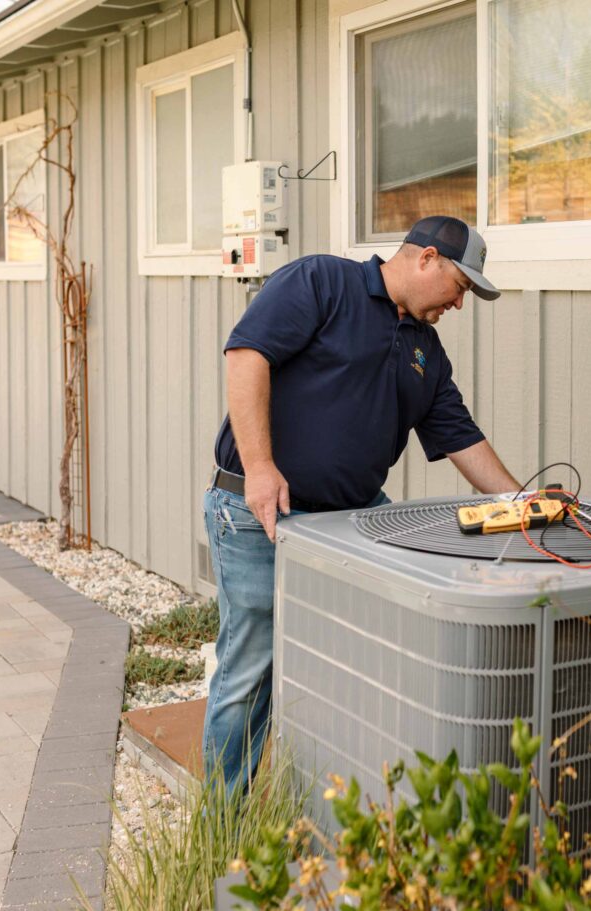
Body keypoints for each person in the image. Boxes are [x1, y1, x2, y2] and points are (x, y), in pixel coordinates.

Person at [202, 215, 522, 795]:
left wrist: (521, 504)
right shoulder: (322, 282)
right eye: (460, 286)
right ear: (427, 259)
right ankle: (223, 824)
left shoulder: (425, 351)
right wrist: (261, 466)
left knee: (352, 662)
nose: (460, 302)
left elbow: (461, 438)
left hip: (349, 521)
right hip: (261, 516)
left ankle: (323, 811)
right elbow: (246, 355)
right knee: (250, 673)